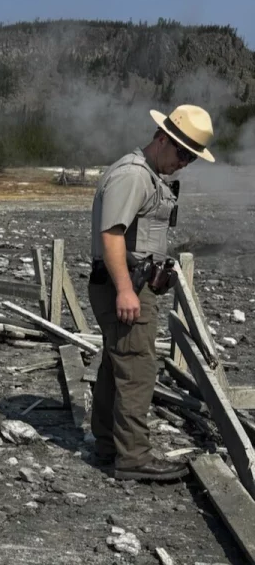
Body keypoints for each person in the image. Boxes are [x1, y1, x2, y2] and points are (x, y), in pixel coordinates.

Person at [88, 104, 215, 482]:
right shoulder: (133, 175)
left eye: (191, 157)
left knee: (118, 364)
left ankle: (109, 445)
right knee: (138, 367)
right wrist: (126, 290)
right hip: (124, 284)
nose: (185, 162)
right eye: (182, 153)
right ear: (163, 139)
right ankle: (133, 458)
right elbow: (111, 235)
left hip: (130, 281)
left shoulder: (148, 175)